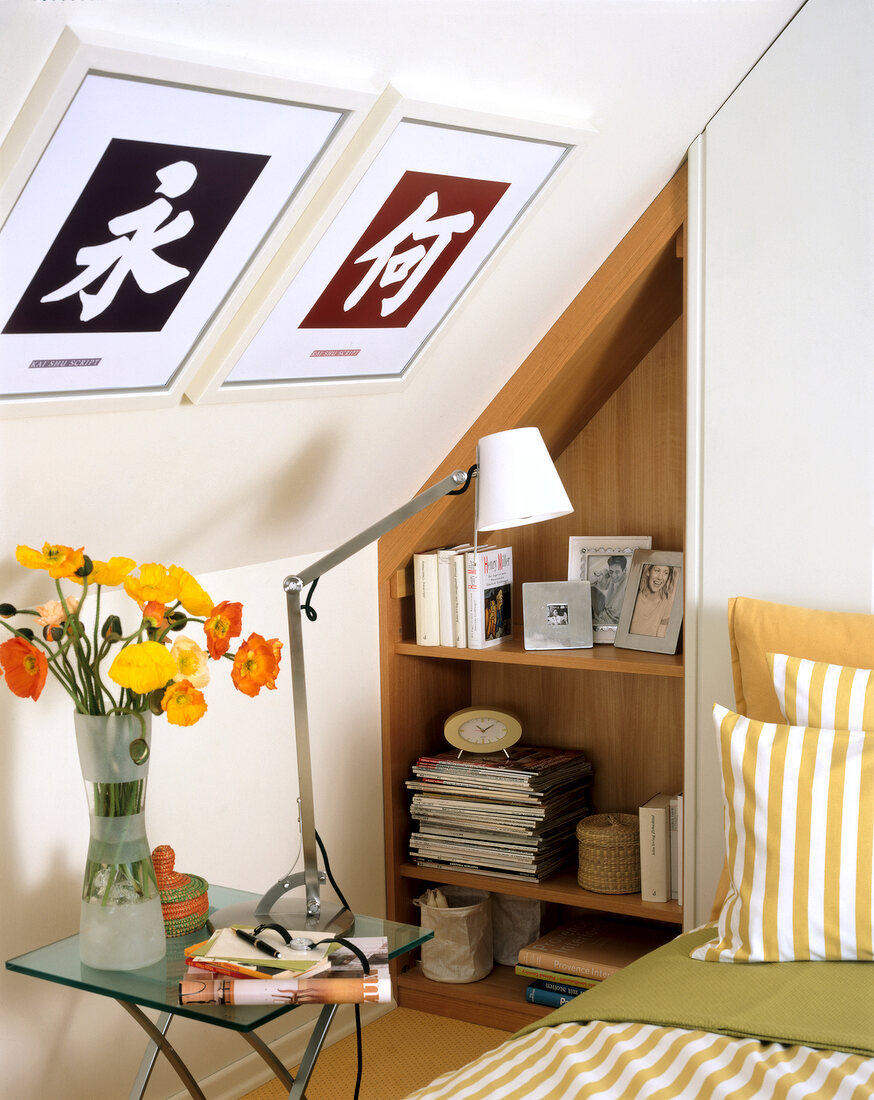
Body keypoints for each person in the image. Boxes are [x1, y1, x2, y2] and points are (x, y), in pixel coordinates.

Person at [629, 564, 677, 637]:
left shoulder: (667, 602)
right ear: (648, 571)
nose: (660, 577)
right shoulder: (633, 597)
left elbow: (661, 634)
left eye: (665, 573)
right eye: (657, 571)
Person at [589, 555, 628, 626]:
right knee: (592, 589)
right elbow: (604, 586)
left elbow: (618, 616)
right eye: (611, 571)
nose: (614, 575)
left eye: (617, 572)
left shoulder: (627, 585)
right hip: (606, 611)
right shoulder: (613, 577)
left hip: (613, 620)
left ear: (624, 571)